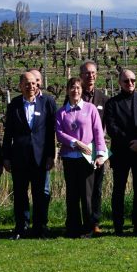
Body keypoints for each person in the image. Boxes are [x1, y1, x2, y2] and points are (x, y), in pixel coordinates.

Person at [2, 71, 58, 239]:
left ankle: (40, 228)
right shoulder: (14, 105)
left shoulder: (47, 102)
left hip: (40, 158)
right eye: (27, 84)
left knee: (40, 194)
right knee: (20, 194)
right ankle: (21, 227)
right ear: (20, 86)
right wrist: (6, 157)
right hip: (19, 158)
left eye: (33, 83)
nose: (31, 86)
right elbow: (8, 133)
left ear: (37, 84)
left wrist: (51, 155)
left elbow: (50, 133)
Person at [104, 68, 137, 235]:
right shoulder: (112, 103)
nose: (130, 83)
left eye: (133, 80)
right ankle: (118, 226)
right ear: (120, 83)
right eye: (126, 81)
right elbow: (112, 128)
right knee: (118, 190)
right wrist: (129, 142)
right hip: (121, 153)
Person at [55, 76, 108, 238]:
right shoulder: (61, 113)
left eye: (78, 87)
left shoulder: (90, 109)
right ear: (67, 91)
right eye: (72, 87)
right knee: (72, 193)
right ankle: (73, 228)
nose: (75, 90)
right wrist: (76, 143)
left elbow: (98, 131)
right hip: (70, 158)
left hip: (87, 158)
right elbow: (59, 134)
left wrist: (100, 154)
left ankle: (89, 228)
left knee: (87, 194)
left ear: (82, 90)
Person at [79, 60, 109, 235]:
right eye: (86, 73)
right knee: (83, 189)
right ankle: (82, 222)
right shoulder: (75, 96)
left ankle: (95, 222)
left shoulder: (103, 99)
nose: (90, 76)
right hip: (80, 150)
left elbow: (106, 124)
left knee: (97, 188)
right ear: (81, 76)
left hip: (98, 150)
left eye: (93, 73)